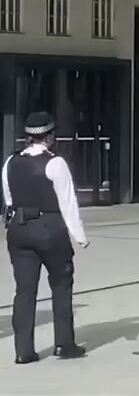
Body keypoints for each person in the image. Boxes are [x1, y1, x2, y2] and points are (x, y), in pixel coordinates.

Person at [3, 112, 88, 364]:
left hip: (19, 228)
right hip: (50, 227)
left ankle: (23, 351)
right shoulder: (56, 163)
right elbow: (68, 203)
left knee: (24, 292)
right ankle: (64, 344)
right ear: (49, 136)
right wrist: (80, 235)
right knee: (61, 286)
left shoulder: (11, 161)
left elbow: (9, 199)